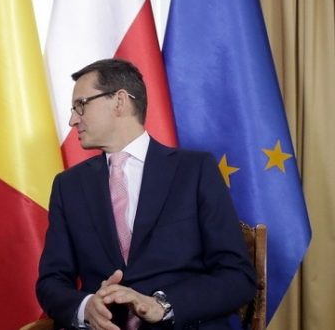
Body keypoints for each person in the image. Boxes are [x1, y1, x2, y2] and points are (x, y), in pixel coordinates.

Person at [36, 59, 255, 330]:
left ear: (119, 101)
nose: (73, 120)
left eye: (81, 105)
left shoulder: (195, 171)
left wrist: (162, 305)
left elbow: (237, 277)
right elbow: (51, 282)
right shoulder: (68, 186)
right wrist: (86, 307)